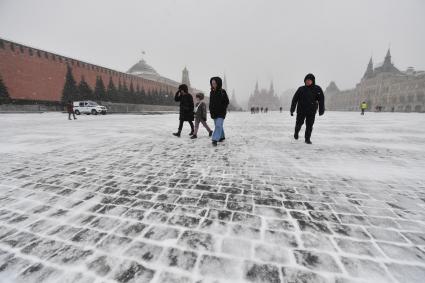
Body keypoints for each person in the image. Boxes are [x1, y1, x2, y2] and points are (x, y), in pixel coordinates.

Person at [290, 73, 325, 144]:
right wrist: (292, 109)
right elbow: (294, 99)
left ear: (313, 81)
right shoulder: (301, 89)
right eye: (306, 80)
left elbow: (321, 99)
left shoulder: (317, 89)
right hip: (301, 110)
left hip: (311, 111)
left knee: (309, 125)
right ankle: (296, 132)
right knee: (299, 124)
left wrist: (321, 110)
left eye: (309, 80)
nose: (308, 82)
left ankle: (307, 139)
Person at [209, 77, 229, 146]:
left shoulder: (222, 91)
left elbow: (227, 101)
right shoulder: (211, 92)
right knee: (219, 125)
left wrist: (222, 107)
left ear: (218, 83)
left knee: (218, 125)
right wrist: (211, 110)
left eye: (214, 83)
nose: (213, 85)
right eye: (212, 84)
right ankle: (222, 136)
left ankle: (214, 139)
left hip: (221, 112)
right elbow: (210, 103)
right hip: (214, 112)